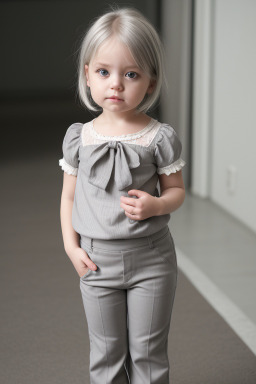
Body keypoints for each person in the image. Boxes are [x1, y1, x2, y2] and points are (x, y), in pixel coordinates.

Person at [59, 6, 186, 384]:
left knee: (148, 353)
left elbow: (177, 191)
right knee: (106, 354)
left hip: (152, 260)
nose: (115, 84)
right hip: (96, 262)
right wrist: (71, 246)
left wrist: (157, 204)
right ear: (87, 74)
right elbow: (68, 197)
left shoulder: (158, 137)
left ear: (150, 82)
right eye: (104, 72)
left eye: (130, 74)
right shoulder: (80, 137)